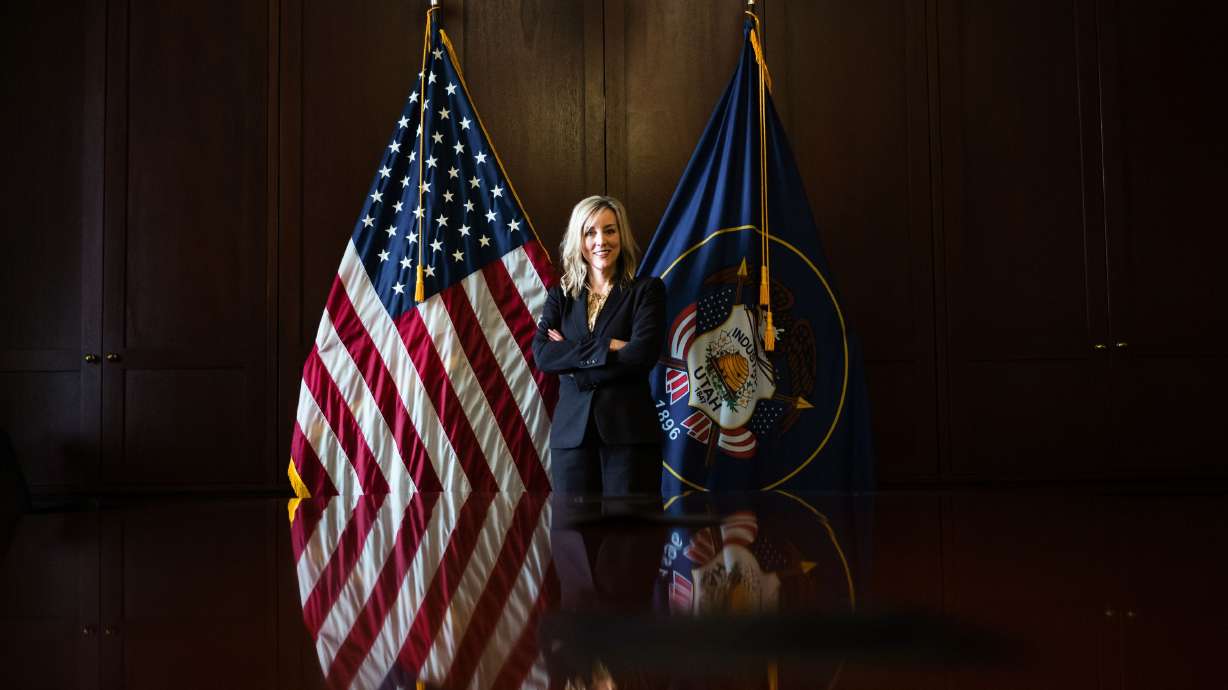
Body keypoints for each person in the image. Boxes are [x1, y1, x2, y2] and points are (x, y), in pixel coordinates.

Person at [533, 195, 666, 496]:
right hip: (571, 442)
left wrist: (574, 364)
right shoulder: (560, 297)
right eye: (590, 232)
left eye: (610, 230)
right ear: (578, 239)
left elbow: (641, 355)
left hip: (630, 438)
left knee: (630, 540)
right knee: (573, 541)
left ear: (622, 235)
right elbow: (543, 355)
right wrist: (611, 346)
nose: (600, 241)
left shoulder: (647, 291)